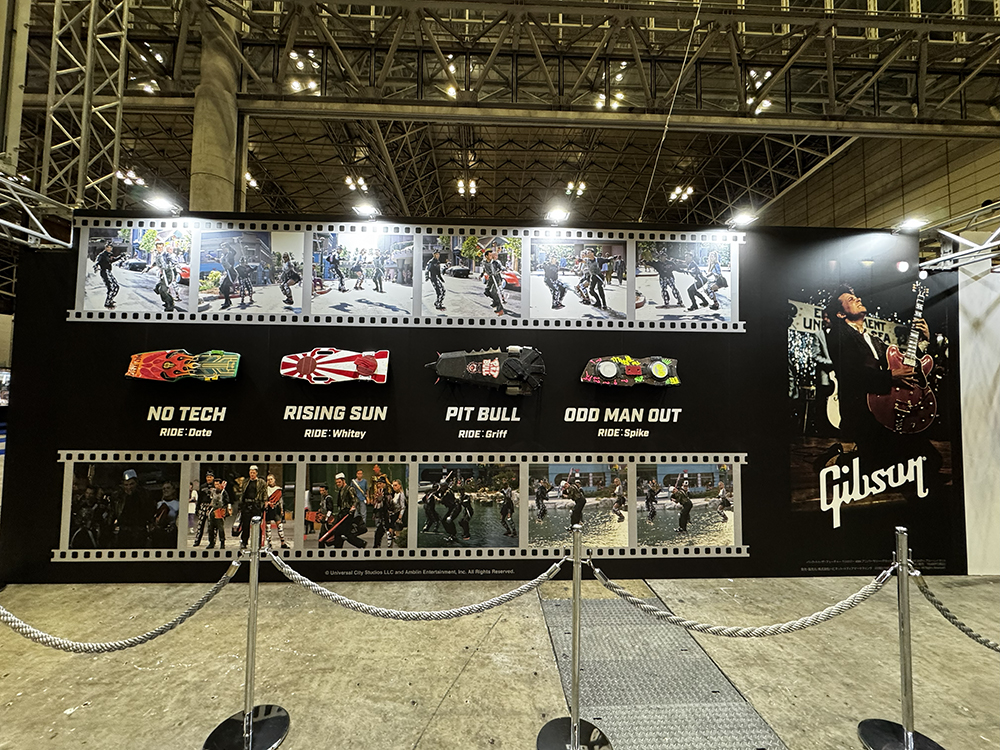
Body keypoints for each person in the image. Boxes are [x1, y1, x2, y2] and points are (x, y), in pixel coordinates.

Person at [823, 285, 940, 478]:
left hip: (886, 410)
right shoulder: (838, 335)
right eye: (850, 299)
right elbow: (851, 374)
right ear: (840, 314)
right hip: (863, 414)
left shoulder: (875, 341)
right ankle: (842, 460)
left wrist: (923, 341)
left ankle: (863, 458)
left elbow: (904, 363)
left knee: (931, 461)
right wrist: (890, 376)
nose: (858, 299)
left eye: (856, 296)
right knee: (880, 469)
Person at [113, 469, 156, 547]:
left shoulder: (145, 495)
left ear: (136, 483)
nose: (129, 487)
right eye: (126, 485)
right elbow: (113, 513)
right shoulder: (118, 496)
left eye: (131, 484)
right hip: (123, 533)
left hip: (140, 532)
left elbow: (151, 512)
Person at [330, 474, 366, 548]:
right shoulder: (341, 490)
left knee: (340, 531)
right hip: (342, 512)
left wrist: (352, 509)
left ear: (343, 481)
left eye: (339, 482)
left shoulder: (349, 489)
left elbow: (355, 500)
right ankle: (360, 543)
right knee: (343, 532)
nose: (338, 484)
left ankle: (360, 544)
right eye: (337, 482)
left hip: (348, 513)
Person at [238, 465, 267, 549]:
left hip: (256, 505)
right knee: (245, 524)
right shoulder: (246, 482)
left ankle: (258, 542)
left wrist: (265, 502)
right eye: (251, 472)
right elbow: (242, 493)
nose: (252, 474)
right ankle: (244, 541)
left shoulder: (261, 482)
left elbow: (264, 493)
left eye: (253, 473)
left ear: (256, 473)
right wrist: (241, 504)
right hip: (246, 504)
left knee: (257, 524)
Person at [93, 240, 126, 309]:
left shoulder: (109, 254)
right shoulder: (102, 255)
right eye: (109, 247)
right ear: (106, 247)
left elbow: (112, 260)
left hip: (108, 272)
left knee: (116, 286)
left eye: (111, 247)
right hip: (104, 272)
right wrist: (96, 266)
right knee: (111, 287)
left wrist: (120, 256)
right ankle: (107, 302)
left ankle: (110, 299)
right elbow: (97, 261)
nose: (110, 249)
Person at [264, 473, 289, 549]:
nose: (270, 481)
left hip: (276, 509)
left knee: (280, 526)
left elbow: (281, 501)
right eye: (268, 480)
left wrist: (282, 510)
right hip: (268, 510)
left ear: (274, 480)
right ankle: (269, 543)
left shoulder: (278, 490)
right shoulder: (265, 490)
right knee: (268, 527)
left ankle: (283, 542)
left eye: (271, 479)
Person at [481, 248, 506, 315]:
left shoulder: (495, 262)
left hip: (496, 278)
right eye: (490, 255)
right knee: (486, 291)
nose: (491, 256)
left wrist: (502, 268)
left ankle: (499, 306)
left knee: (494, 292)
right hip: (491, 278)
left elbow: (500, 266)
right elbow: (484, 269)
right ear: (486, 256)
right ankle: (495, 300)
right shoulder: (484, 262)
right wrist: (481, 275)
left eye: (491, 255)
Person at [206, 476, 229, 549]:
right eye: (215, 484)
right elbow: (210, 500)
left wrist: (225, 510)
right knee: (211, 528)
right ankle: (211, 542)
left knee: (220, 528)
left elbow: (227, 501)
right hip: (213, 510)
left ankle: (222, 542)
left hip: (220, 510)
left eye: (218, 484)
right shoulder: (212, 491)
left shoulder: (223, 492)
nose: (216, 486)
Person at [219, 242, 238, 310]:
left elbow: (234, 252)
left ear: (227, 249)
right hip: (228, 273)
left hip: (232, 273)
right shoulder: (223, 256)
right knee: (221, 287)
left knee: (225, 286)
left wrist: (228, 246)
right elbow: (220, 261)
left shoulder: (230, 254)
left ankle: (227, 302)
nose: (222, 249)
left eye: (224, 248)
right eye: (222, 248)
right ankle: (228, 301)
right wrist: (212, 258)